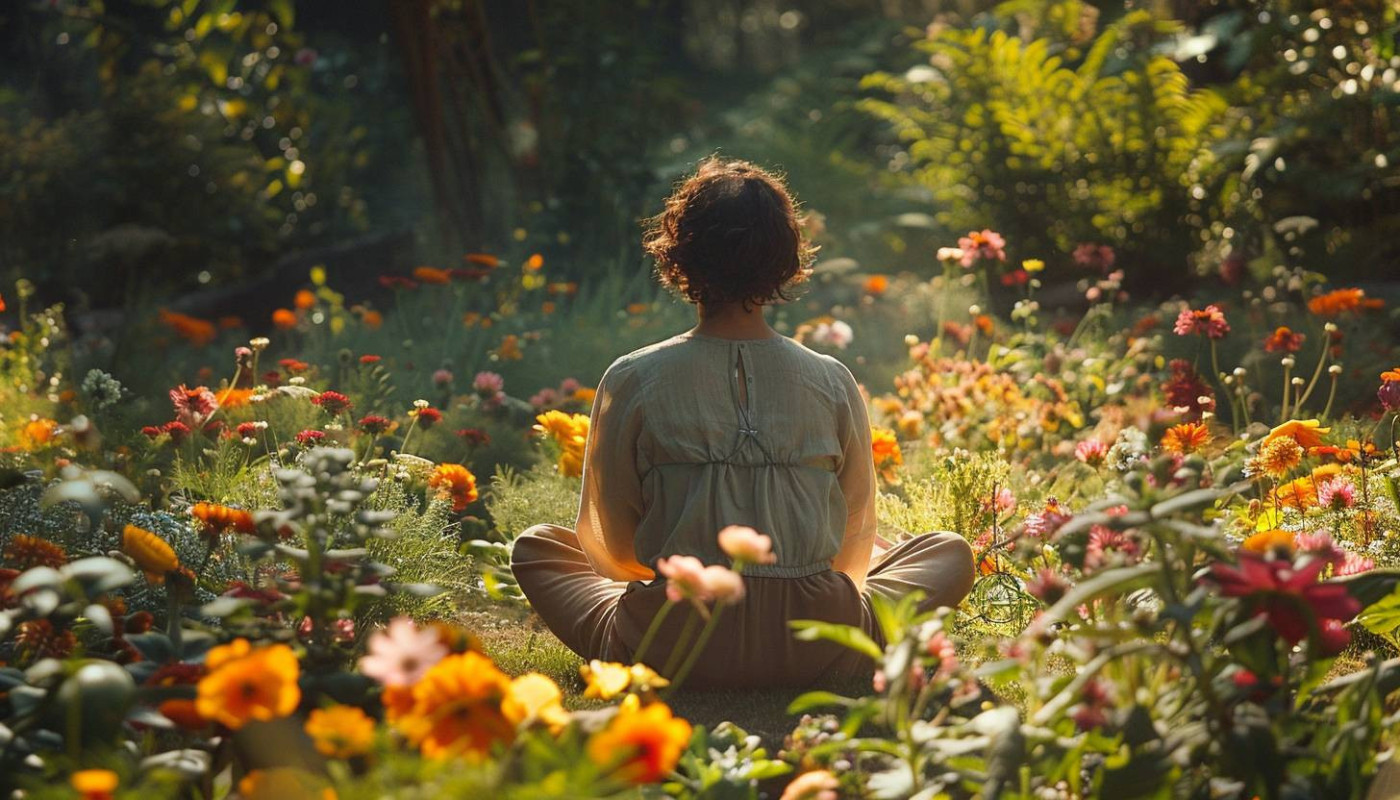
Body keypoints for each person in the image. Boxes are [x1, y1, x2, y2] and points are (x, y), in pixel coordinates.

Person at [510, 156, 974, 689]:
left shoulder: (633, 376)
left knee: (537, 547)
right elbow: (853, 542)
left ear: (679, 256)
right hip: (819, 644)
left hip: (669, 644)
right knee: (948, 552)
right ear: (786, 259)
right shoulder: (831, 377)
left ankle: (648, 639)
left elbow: (614, 547)